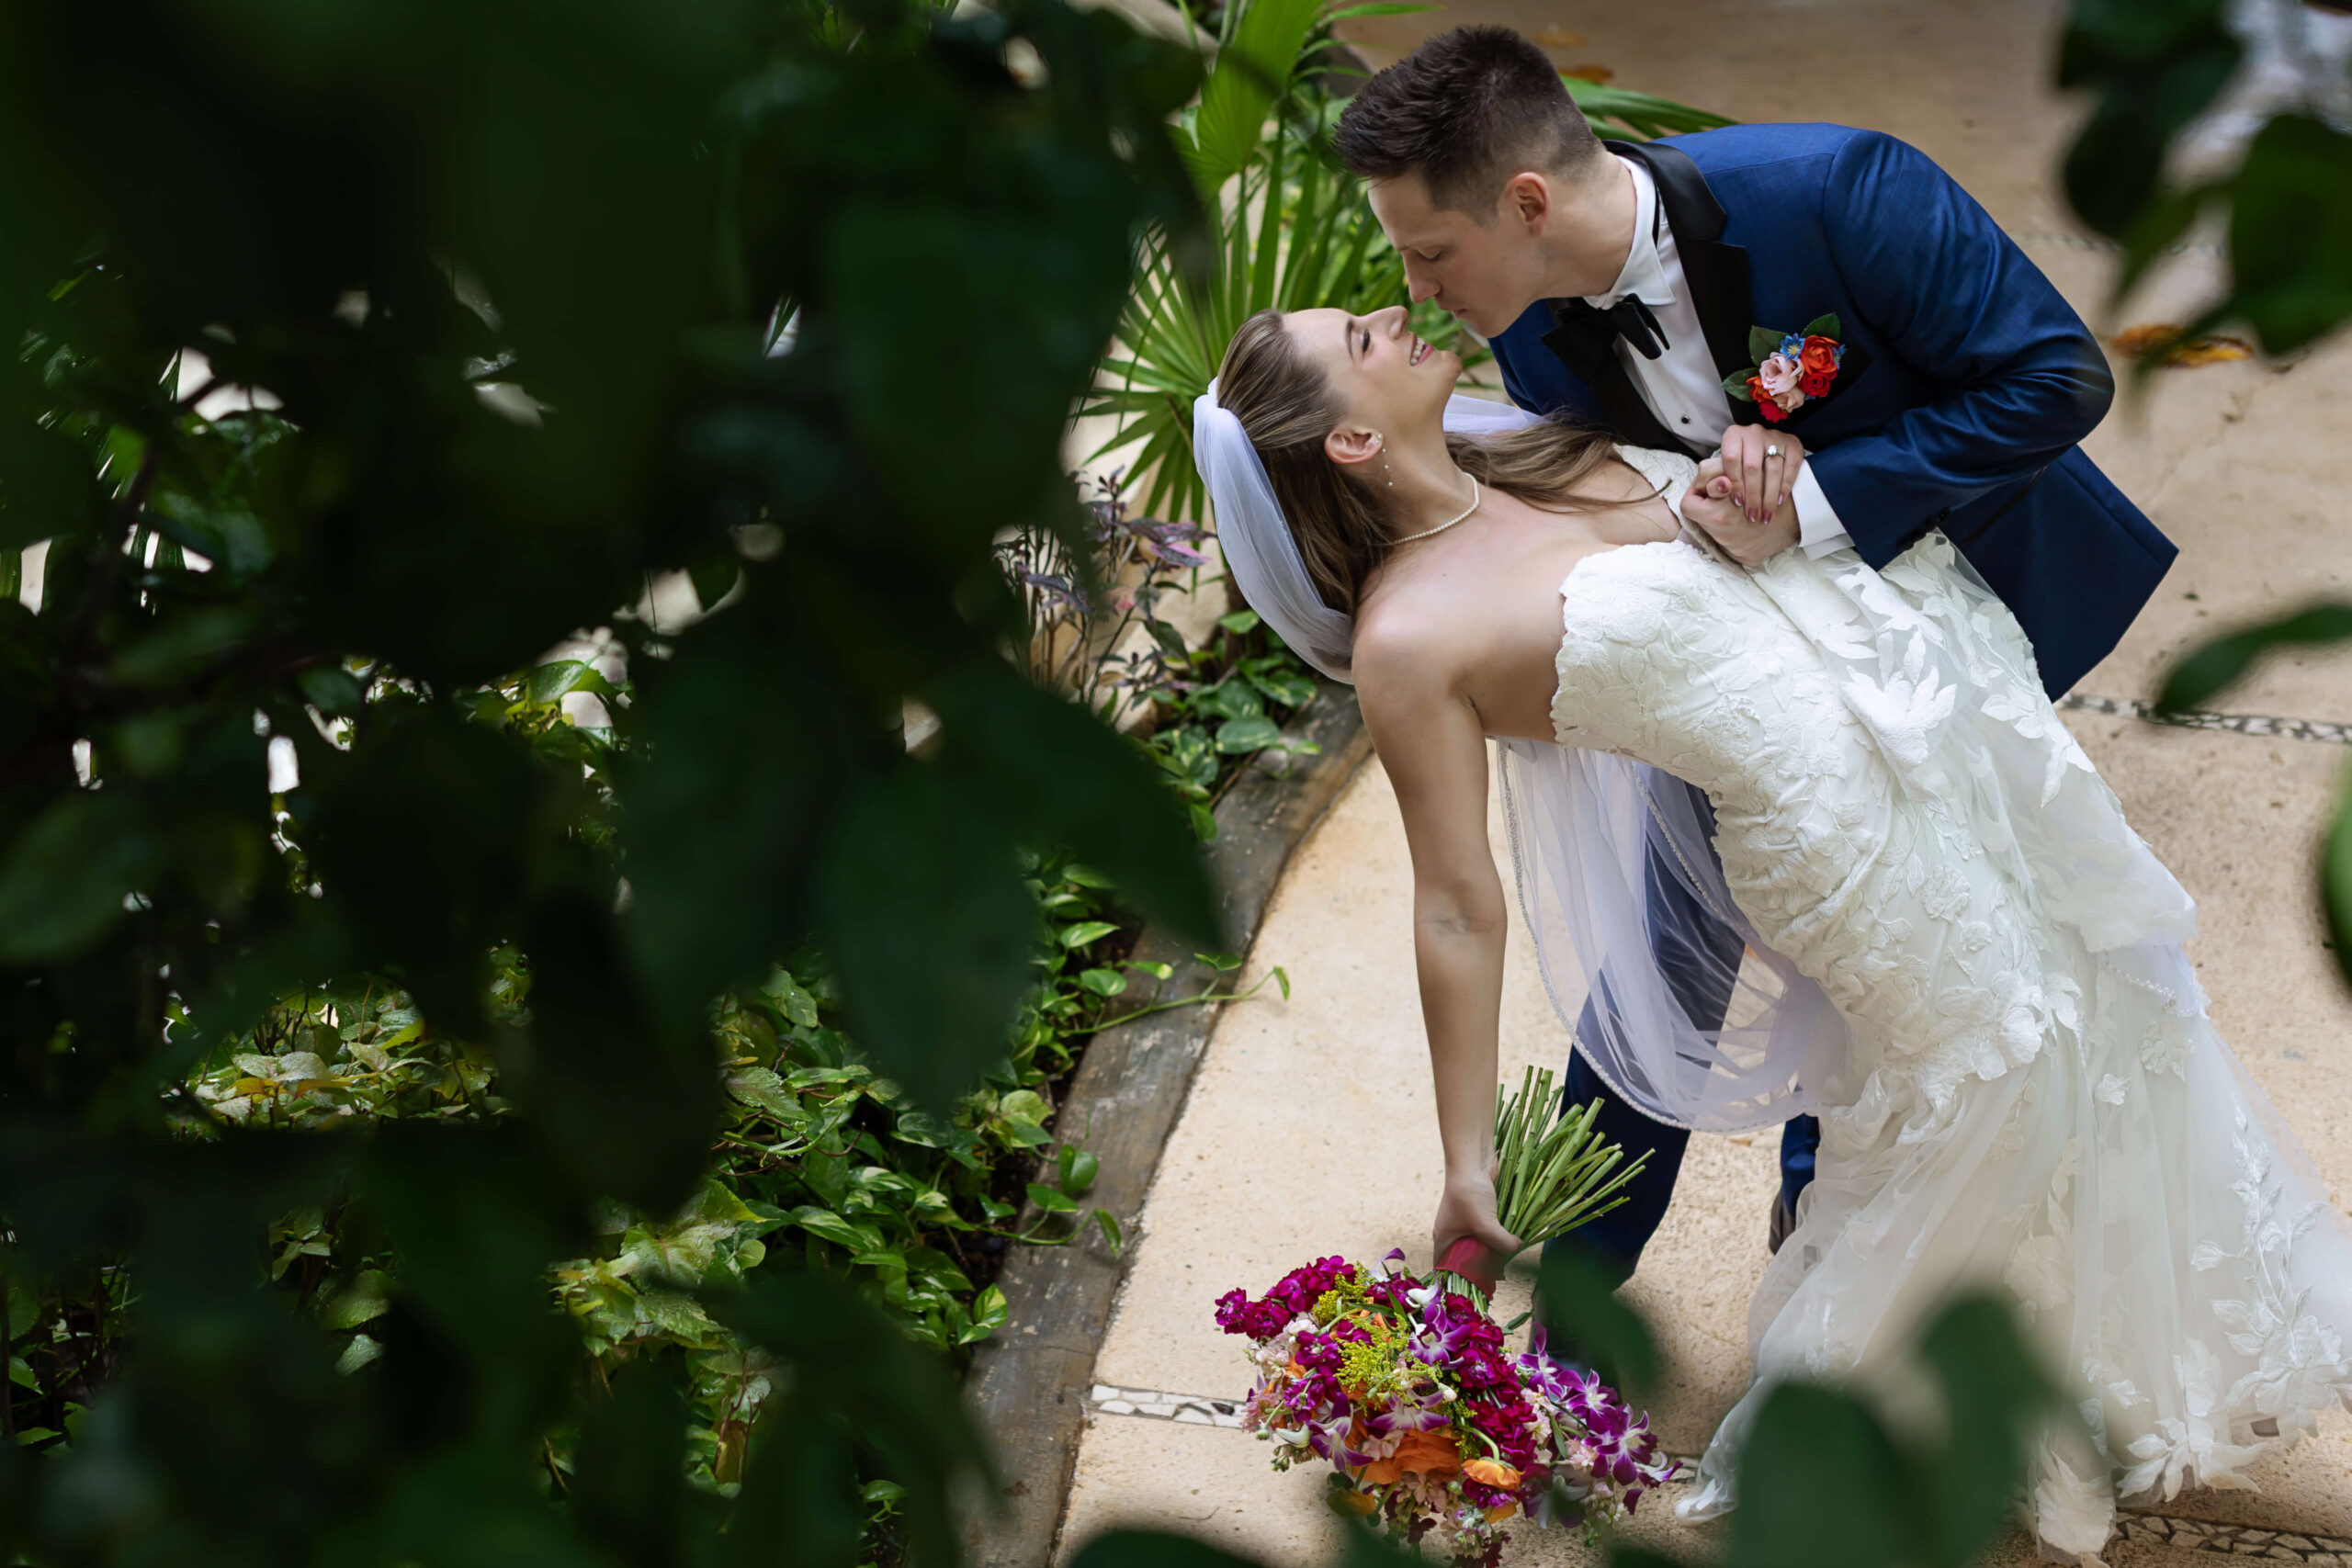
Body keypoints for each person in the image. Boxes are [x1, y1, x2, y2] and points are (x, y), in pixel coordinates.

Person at [1192, 303, 2352, 1560]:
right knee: (1997, 1080)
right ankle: (1889, 1419)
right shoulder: (1409, 639)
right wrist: (1466, 1155)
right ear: (1350, 444)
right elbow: (1455, 902)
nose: (1390, 314)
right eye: (1355, 339)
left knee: (2103, 1022)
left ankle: (2070, 1375)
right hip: (1839, 853)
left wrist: (1759, 467)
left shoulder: (1529, 451)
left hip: (1940, 732)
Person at [1325, 26, 2178, 1289]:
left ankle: (1819, 1224)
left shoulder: (1840, 190)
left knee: (1891, 948)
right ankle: (1573, 1295)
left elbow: (2054, 378)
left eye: (1430, 250)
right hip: (1735, 662)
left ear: (1526, 202)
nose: (1416, 284)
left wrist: (1821, 494)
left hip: (1956, 624)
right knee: (1676, 940)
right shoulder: (1531, 325)